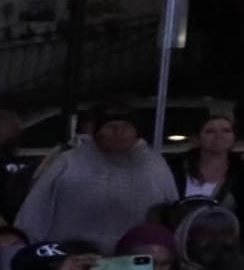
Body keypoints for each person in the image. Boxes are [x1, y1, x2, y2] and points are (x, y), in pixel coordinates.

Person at [18, 105, 182, 250]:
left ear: (136, 131)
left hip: (134, 256)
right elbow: (36, 208)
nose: (118, 132)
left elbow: (170, 213)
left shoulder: (154, 165)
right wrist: (26, 244)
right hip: (70, 254)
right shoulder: (69, 161)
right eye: (111, 126)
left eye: (126, 126)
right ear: (96, 131)